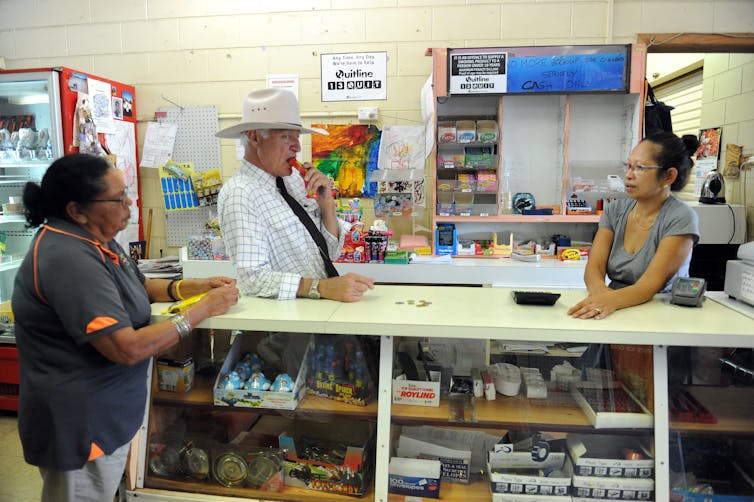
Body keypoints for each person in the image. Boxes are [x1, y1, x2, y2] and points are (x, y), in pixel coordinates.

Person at [11, 153, 239, 502]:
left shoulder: (98, 239)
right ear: (76, 210)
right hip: (80, 427)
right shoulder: (68, 259)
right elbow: (126, 348)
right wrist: (198, 313)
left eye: (126, 193)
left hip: (107, 418)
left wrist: (191, 287)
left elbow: (138, 287)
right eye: (117, 199)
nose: (129, 204)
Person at [216, 87, 375, 302]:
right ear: (254, 137)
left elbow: (329, 253)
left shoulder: (293, 181)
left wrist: (327, 205)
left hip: (317, 316)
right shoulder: (239, 195)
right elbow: (251, 279)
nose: (297, 147)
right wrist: (321, 287)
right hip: (283, 329)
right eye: (286, 136)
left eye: (297, 136)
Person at [568, 132, 700, 320]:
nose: (628, 175)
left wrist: (607, 301)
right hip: (612, 309)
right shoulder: (615, 210)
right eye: (628, 166)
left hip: (660, 315)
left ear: (669, 176)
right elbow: (594, 268)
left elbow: (650, 285)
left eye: (639, 168)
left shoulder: (681, 217)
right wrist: (600, 296)